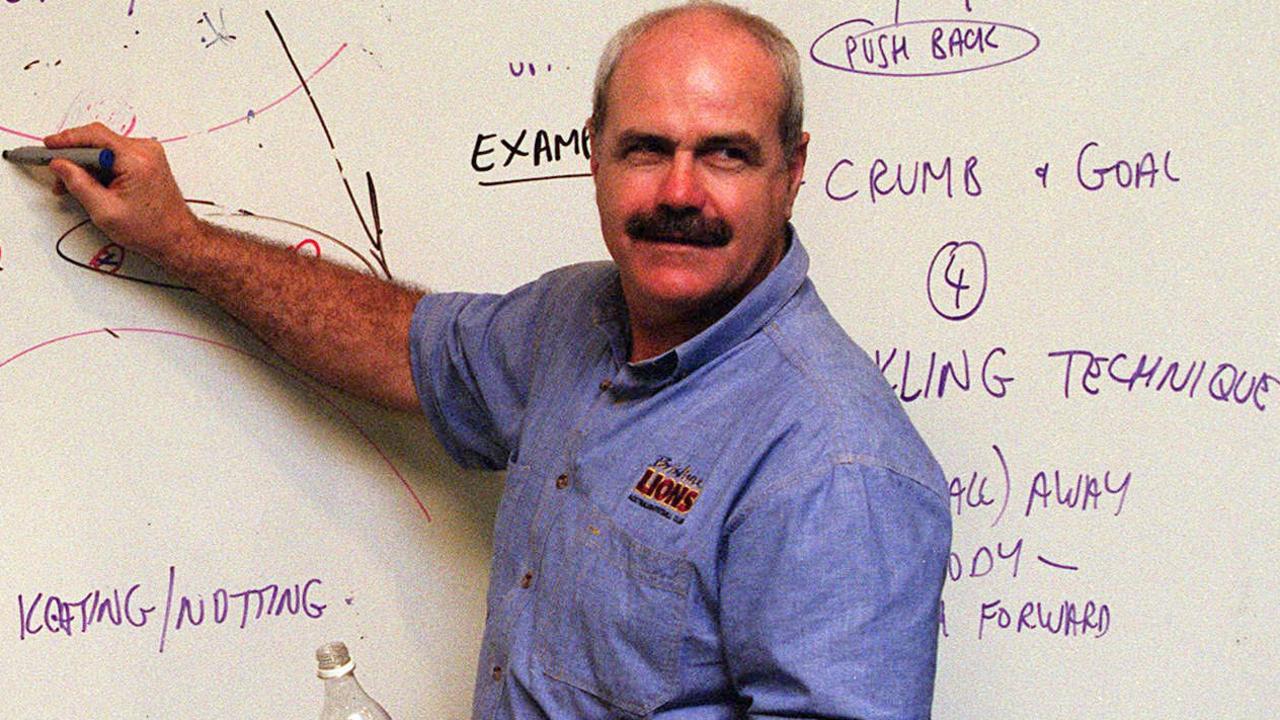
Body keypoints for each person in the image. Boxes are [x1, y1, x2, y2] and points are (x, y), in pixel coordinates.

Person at [43, 2, 951, 717]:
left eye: (725, 155)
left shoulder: (837, 468)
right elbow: (391, 343)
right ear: (593, 152)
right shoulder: (572, 320)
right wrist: (182, 240)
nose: (680, 192)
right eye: (646, 148)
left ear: (791, 171)